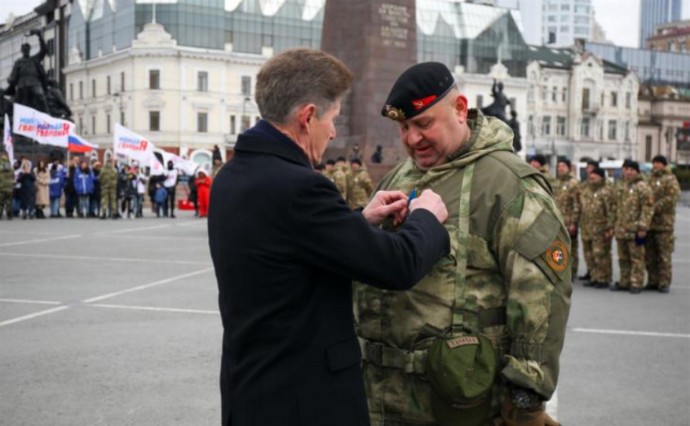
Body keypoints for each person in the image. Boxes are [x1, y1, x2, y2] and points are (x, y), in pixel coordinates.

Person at [208, 48, 451, 426]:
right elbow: (397, 265)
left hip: (252, 392)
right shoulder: (300, 188)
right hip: (304, 402)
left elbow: (292, 247)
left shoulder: (232, 177)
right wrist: (427, 219)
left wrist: (358, 220)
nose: (334, 130)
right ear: (307, 118)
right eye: (333, 118)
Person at [357, 62, 572, 426]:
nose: (412, 139)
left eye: (424, 124)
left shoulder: (508, 185)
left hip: (459, 400)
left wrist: (525, 396)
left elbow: (540, 296)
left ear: (460, 109)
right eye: (404, 128)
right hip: (384, 397)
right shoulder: (401, 175)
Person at [611, 160, 654, 294]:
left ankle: (636, 282)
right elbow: (615, 207)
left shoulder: (642, 187)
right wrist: (613, 225)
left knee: (636, 258)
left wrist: (643, 227)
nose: (628, 172)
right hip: (621, 229)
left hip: (635, 229)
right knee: (623, 258)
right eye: (626, 169)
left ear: (637, 171)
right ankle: (625, 281)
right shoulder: (620, 186)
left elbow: (648, 208)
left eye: (631, 170)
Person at [645, 155, 680, 293]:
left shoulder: (670, 179)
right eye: (654, 162)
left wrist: (654, 206)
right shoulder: (649, 179)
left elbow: (671, 198)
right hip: (649, 223)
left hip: (664, 224)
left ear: (664, 165)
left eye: (658, 163)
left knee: (664, 255)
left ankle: (664, 282)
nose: (655, 165)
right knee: (650, 255)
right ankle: (653, 280)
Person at [579, 168, 614, 288]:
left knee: (600, 254)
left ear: (601, 177)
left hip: (600, 229)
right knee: (589, 255)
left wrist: (610, 227)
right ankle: (594, 277)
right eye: (591, 174)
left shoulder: (606, 191)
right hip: (586, 228)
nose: (592, 176)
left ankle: (603, 278)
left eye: (595, 175)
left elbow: (611, 211)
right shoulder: (586, 191)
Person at [6, 29, 49, 113]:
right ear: (22, 51)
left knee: (40, 96)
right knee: (20, 102)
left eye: (27, 49)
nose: (26, 51)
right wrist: (10, 79)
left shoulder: (35, 59)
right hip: (22, 85)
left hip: (34, 83)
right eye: (24, 49)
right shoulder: (18, 62)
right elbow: (13, 76)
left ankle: (47, 115)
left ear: (29, 50)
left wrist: (40, 36)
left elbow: (43, 50)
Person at [554, 158, 581, 280]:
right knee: (558, 248)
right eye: (559, 166)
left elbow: (576, 204)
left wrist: (574, 222)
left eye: (563, 166)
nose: (560, 168)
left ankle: (572, 272)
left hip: (569, 222)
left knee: (571, 249)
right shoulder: (557, 183)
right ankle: (560, 271)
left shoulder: (573, 183)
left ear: (569, 168)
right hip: (557, 221)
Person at [0, 153, 13, 220]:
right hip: (9, 188)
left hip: (1, 187)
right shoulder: (10, 167)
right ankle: (9, 215)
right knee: (9, 202)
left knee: (1, 202)